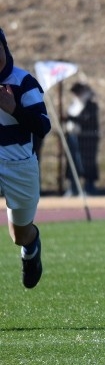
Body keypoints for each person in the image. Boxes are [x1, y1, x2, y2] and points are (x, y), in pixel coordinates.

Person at [0, 28, 51, 288]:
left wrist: (14, 109)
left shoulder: (23, 82)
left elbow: (43, 126)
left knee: (19, 235)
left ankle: (31, 249)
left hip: (19, 167)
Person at [64, 82, 99, 196]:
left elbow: (87, 119)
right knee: (73, 162)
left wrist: (72, 119)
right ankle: (73, 188)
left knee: (86, 163)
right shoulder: (73, 105)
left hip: (87, 139)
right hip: (73, 137)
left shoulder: (91, 106)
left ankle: (89, 188)